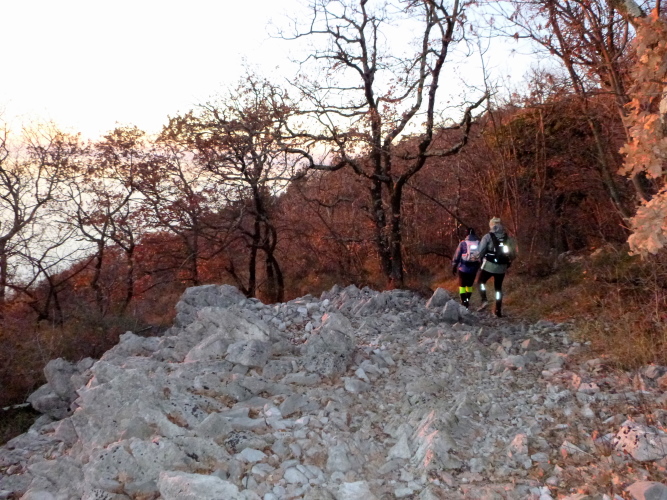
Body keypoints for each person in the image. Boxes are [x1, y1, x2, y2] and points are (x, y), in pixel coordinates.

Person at [476, 217, 517, 317]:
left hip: (489, 266)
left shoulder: (487, 236)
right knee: (498, 288)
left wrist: (478, 259)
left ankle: (484, 300)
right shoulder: (507, 237)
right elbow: (513, 253)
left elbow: (480, 252)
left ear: (491, 225)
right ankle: (498, 310)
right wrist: (508, 262)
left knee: (480, 282)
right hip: (502, 267)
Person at [451, 227, 481, 308]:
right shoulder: (478, 243)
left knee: (462, 286)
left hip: (463, 268)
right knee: (469, 286)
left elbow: (457, 255)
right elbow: (481, 255)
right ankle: (467, 300)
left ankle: (464, 301)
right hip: (474, 268)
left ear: (466, 234)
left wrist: (454, 265)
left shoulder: (463, 243)